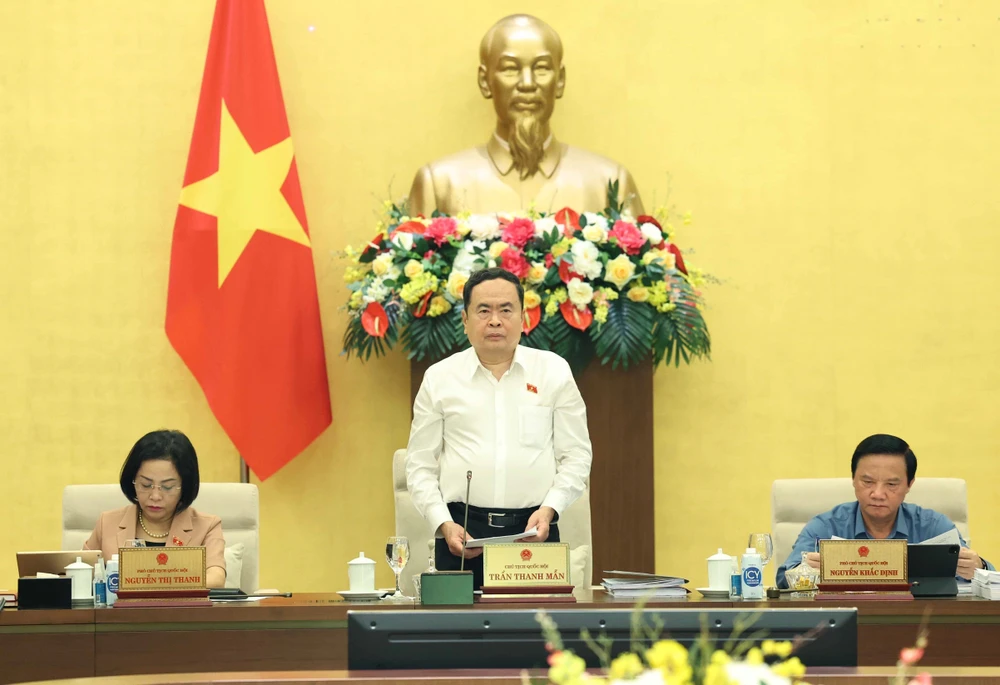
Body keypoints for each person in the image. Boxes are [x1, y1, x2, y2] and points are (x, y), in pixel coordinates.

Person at [405, 267, 593, 589]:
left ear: (523, 319)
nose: (495, 320)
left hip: (535, 533)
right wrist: (443, 524)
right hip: (462, 535)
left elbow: (576, 455)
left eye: (506, 310)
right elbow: (419, 466)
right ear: (465, 321)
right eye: (483, 310)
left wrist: (549, 510)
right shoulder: (439, 379)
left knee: (539, 636)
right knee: (460, 636)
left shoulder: (553, 372)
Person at [408, 14, 644, 217]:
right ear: (485, 81)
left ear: (560, 80)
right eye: (510, 69)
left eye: (541, 68)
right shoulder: (439, 184)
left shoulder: (609, 184)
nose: (528, 84)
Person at [776, 434, 993, 588]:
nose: (878, 494)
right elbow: (784, 579)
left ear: (909, 484)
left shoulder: (933, 526)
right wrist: (804, 573)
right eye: (867, 481)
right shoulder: (826, 525)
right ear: (853, 480)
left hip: (920, 624)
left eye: (891, 485)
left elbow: (987, 578)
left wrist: (979, 566)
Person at [84, 430, 227, 588]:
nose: (155, 495)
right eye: (146, 485)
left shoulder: (207, 526)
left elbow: (216, 579)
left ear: (184, 487)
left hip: (180, 612)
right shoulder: (108, 523)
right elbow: (82, 574)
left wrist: (151, 583)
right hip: (120, 613)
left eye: (167, 487)